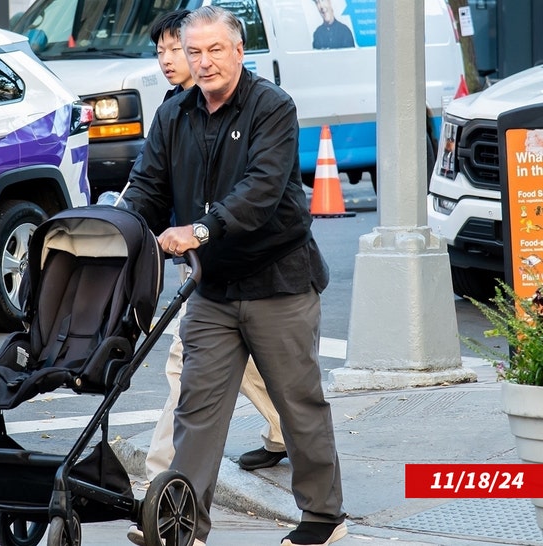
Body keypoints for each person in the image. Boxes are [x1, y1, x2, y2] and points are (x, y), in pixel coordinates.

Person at [121, 6, 346, 546]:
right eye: (192, 51)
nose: (203, 62)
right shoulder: (173, 114)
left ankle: (323, 516)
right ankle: (183, 526)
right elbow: (148, 188)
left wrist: (197, 231)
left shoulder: (273, 107)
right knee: (197, 408)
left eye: (215, 50)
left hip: (279, 281)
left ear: (239, 52)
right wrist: (119, 229)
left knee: (298, 404)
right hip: (213, 287)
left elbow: (262, 194)